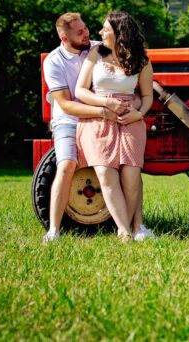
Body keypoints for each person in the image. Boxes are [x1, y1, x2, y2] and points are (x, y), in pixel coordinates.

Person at [42, 13, 132, 244]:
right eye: (80, 32)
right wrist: (103, 111)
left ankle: (132, 224)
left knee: (123, 163)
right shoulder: (54, 61)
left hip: (103, 118)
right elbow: (65, 104)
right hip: (70, 120)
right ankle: (54, 229)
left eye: (86, 28)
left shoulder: (98, 49)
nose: (87, 34)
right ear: (64, 37)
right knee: (66, 164)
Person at [75, 11, 154, 242]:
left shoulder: (141, 60)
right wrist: (106, 102)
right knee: (106, 174)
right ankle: (123, 231)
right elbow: (80, 91)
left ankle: (129, 227)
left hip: (129, 118)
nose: (100, 33)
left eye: (105, 30)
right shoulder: (95, 54)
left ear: (120, 33)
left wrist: (137, 114)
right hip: (99, 117)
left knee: (131, 176)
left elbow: (147, 96)